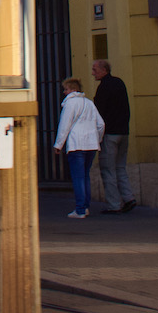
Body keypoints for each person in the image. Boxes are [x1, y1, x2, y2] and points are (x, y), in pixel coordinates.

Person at [54, 76, 104, 218]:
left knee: (78, 177)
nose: (64, 92)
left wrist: (59, 144)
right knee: (85, 176)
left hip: (76, 145)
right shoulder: (89, 103)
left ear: (73, 90)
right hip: (91, 145)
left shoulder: (69, 104)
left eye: (66, 89)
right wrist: (97, 139)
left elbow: (65, 125)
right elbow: (101, 124)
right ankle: (85, 206)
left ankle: (80, 209)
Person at [92, 59, 136, 213]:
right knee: (120, 167)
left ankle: (114, 204)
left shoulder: (103, 87)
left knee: (108, 169)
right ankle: (129, 198)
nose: (93, 73)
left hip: (110, 134)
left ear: (104, 70)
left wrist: (98, 135)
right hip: (123, 132)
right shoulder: (119, 83)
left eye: (95, 70)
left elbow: (99, 112)